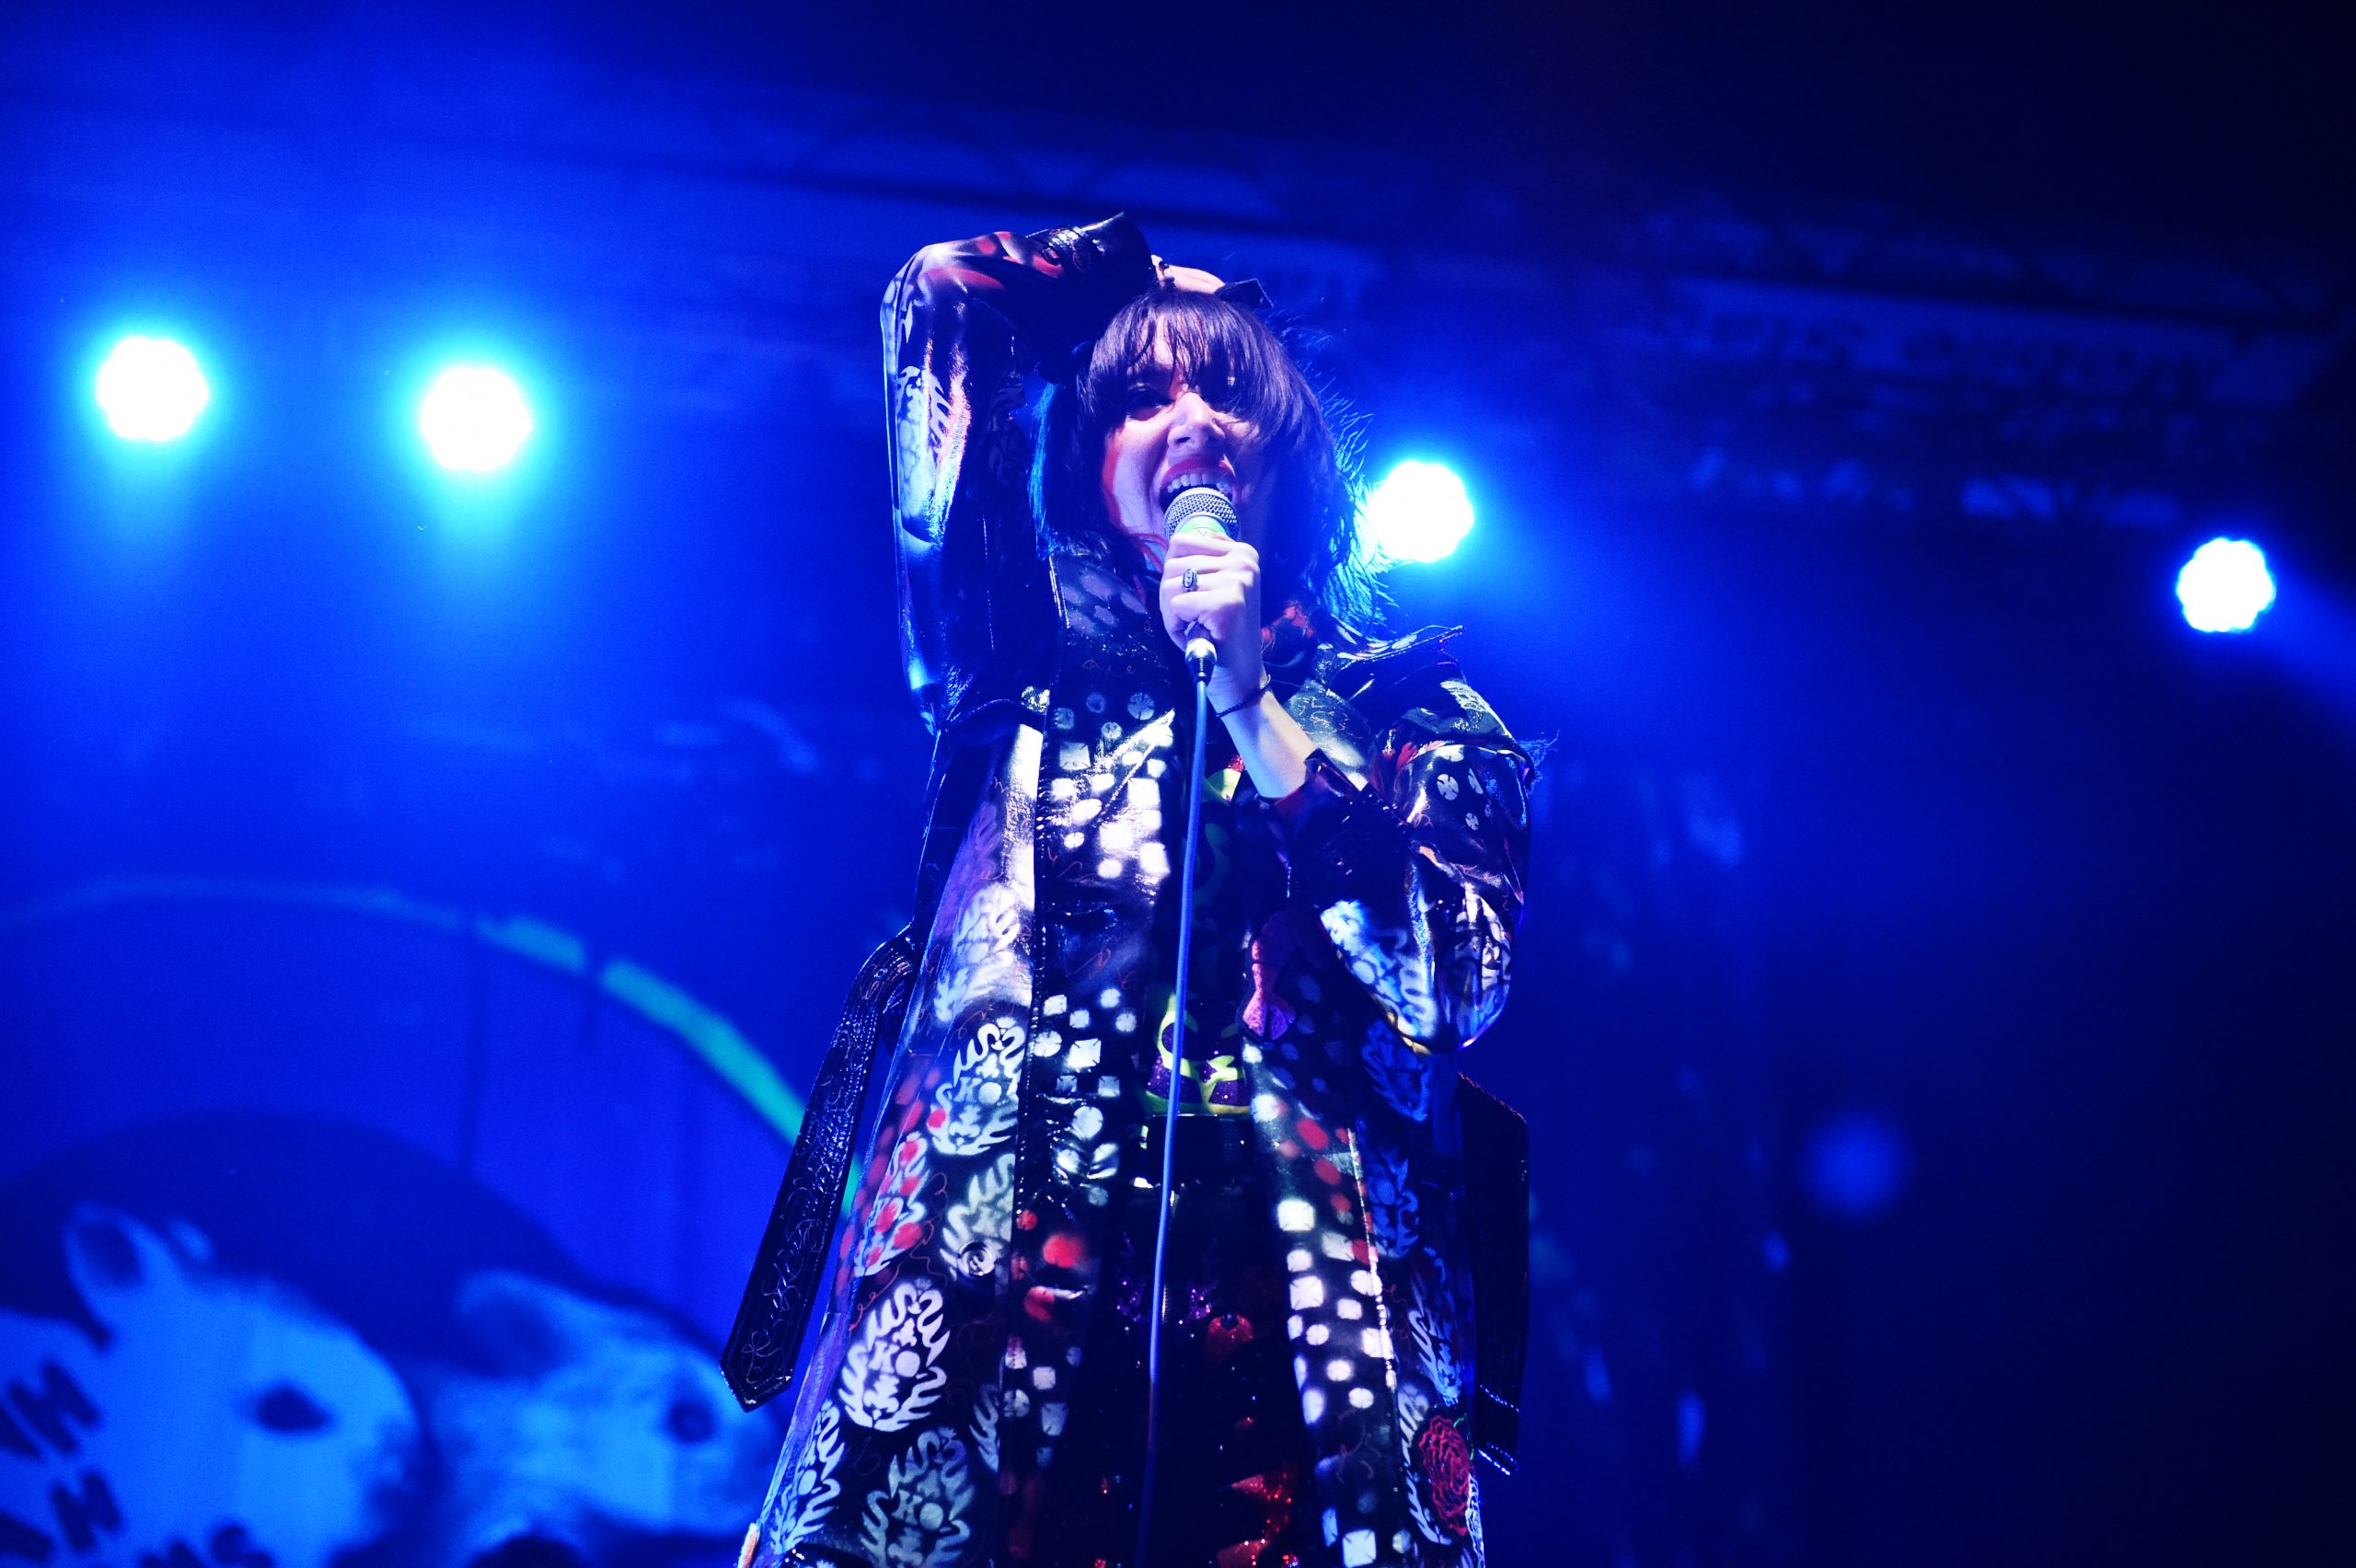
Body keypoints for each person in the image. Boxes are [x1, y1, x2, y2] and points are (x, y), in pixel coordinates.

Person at [733, 214, 1533, 1568]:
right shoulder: (1015, 654)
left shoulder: (1418, 715)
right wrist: (1130, 278)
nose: (1193, 421)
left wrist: (1259, 709)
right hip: (999, 1304)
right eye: (1144, 397)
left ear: (1292, 461)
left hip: (1309, 1352)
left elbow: (1455, 982)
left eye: (1228, 392)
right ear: (1090, 461)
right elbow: (942, 297)